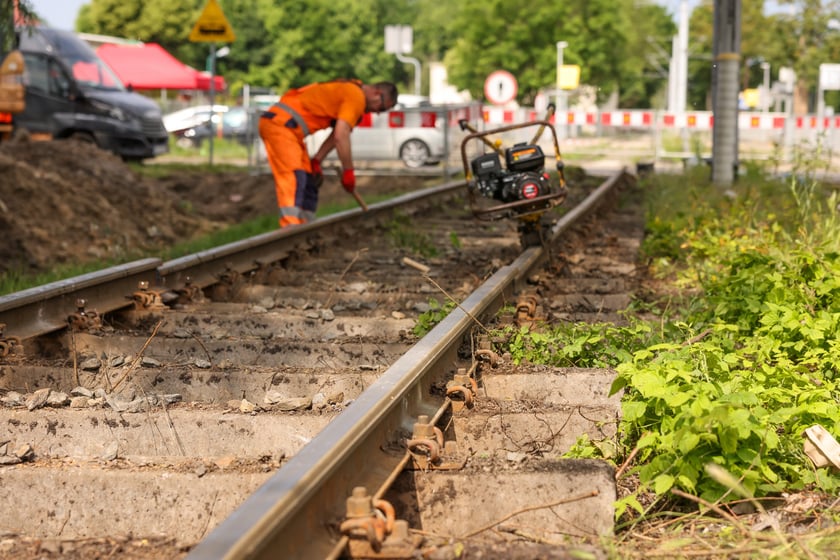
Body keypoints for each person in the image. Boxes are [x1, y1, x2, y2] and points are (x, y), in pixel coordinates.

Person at [258, 78, 398, 228]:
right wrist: (348, 171)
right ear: (377, 93)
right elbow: (340, 135)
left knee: (309, 179)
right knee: (294, 176)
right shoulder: (355, 96)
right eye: (382, 108)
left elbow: (335, 135)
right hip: (280, 125)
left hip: (291, 131)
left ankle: (305, 228)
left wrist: (317, 159)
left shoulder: (354, 99)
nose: (377, 113)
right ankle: (290, 228)